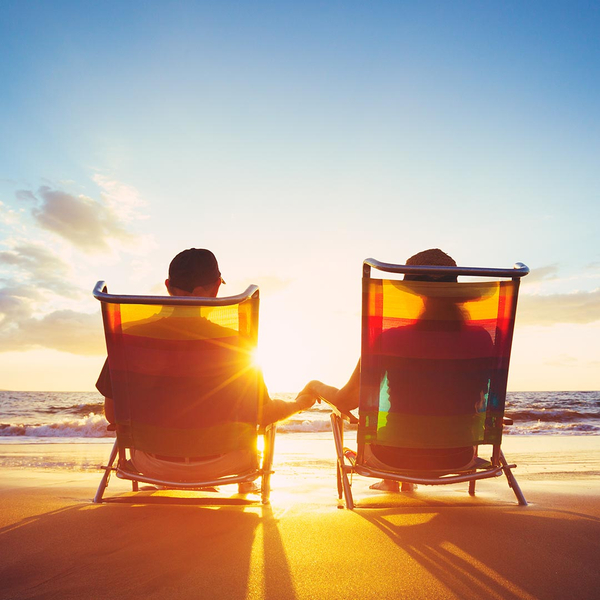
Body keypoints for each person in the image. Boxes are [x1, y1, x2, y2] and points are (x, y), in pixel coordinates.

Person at [97, 248, 317, 489]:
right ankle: (244, 487)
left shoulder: (129, 339)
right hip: (227, 464)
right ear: (215, 289)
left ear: (168, 285)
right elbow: (263, 414)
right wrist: (299, 404)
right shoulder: (238, 345)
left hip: (150, 465)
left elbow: (113, 414)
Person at [302, 248, 492, 492]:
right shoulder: (482, 339)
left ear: (416, 295)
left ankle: (393, 478)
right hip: (459, 455)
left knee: (396, 428)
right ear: (456, 293)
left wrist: (314, 385)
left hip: (392, 456)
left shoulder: (390, 339)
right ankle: (398, 480)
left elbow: (346, 401)